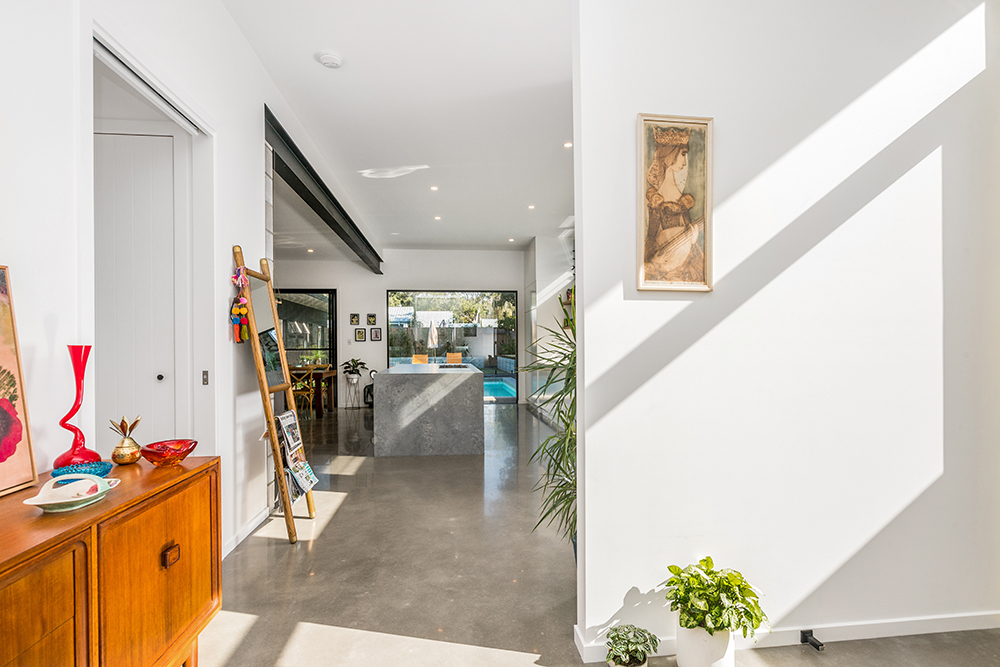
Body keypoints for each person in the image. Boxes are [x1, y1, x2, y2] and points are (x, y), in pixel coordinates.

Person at [643, 127, 705, 283]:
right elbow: (652, 237)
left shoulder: (679, 197)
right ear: (670, 154)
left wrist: (691, 235)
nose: (684, 163)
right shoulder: (656, 199)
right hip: (666, 265)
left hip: (683, 260)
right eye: (682, 154)